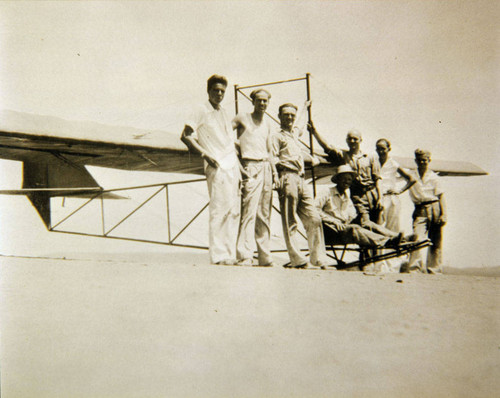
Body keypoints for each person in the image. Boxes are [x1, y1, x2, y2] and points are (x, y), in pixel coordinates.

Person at [180, 75, 241, 265]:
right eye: (216, 90)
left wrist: (239, 167)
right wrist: (206, 155)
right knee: (219, 210)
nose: (220, 94)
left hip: (232, 166)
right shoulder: (201, 109)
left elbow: (230, 143)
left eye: (223, 91)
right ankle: (219, 256)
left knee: (233, 211)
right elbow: (186, 136)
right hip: (217, 167)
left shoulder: (224, 112)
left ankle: (230, 255)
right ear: (209, 91)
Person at [271, 103, 329, 269]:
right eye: (286, 114)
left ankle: (318, 258)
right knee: (290, 221)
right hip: (287, 175)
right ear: (279, 116)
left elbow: (300, 124)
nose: (289, 118)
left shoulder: (294, 135)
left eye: (292, 115)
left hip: (301, 178)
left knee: (314, 218)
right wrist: (276, 176)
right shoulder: (277, 136)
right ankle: (298, 260)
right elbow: (273, 157)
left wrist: (304, 107)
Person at [309, 125, 384, 232]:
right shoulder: (343, 156)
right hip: (358, 195)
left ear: (360, 140)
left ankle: (388, 242)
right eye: (350, 139)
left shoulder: (371, 156)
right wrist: (314, 132)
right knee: (366, 223)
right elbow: (327, 147)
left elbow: (378, 178)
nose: (352, 141)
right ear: (346, 141)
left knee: (378, 224)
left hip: (373, 194)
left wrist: (380, 198)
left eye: (355, 139)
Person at [233, 89, 277, 266]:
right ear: (253, 102)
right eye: (259, 100)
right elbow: (223, 134)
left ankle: (265, 257)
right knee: (248, 212)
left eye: (265, 101)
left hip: (266, 166)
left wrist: (274, 172)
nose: (262, 104)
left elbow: (269, 150)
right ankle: (245, 255)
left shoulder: (267, 124)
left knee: (264, 214)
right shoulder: (243, 117)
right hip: (250, 165)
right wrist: (236, 158)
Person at [316, 164, 403, 248]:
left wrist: (355, 219)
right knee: (355, 228)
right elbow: (314, 209)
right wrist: (333, 221)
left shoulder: (346, 196)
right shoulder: (327, 192)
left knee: (367, 223)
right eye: (344, 179)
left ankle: (398, 237)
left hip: (344, 229)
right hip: (331, 231)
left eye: (349, 180)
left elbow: (352, 215)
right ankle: (386, 242)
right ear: (338, 179)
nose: (346, 182)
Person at [375, 138, 416, 272]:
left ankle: (392, 265)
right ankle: (379, 264)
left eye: (383, 148)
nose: (380, 151)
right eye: (378, 148)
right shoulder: (374, 163)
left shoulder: (393, 163)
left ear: (389, 149)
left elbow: (411, 179)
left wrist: (399, 190)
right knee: (379, 230)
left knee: (392, 230)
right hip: (378, 200)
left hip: (391, 199)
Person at [406, 149, 447, 274]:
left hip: (434, 207)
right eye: (419, 160)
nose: (422, 162)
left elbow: (441, 196)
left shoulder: (434, 177)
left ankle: (434, 269)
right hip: (419, 208)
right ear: (415, 161)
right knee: (417, 238)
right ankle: (414, 269)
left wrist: (444, 214)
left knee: (435, 241)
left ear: (429, 161)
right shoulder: (410, 175)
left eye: (425, 160)